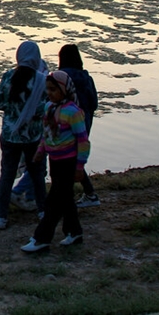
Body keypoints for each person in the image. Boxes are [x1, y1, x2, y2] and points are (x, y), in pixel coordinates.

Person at [21, 70, 90, 252]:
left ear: (64, 89)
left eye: (53, 89)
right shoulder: (48, 108)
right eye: (48, 90)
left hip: (68, 162)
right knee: (66, 198)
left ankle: (41, 238)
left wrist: (79, 166)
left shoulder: (73, 112)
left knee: (54, 201)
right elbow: (47, 134)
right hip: (55, 160)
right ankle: (74, 232)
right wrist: (40, 151)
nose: (49, 93)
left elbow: (83, 141)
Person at [0, 41, 48, 229]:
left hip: (9, 135)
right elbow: (44, 108)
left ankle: (1, 216)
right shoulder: (41, 80)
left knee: (7, 175)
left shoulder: (8, 77)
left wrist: (14, 112)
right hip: (32, 136)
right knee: (37, 174)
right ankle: (42, 211)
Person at [58, 44, 101, 208]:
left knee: (65, 160)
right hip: (85, 122)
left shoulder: (61, 77)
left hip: (65, 123)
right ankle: (88, 194)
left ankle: (82, 196)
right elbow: (94, 104)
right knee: (75, 158)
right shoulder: (86, 78)